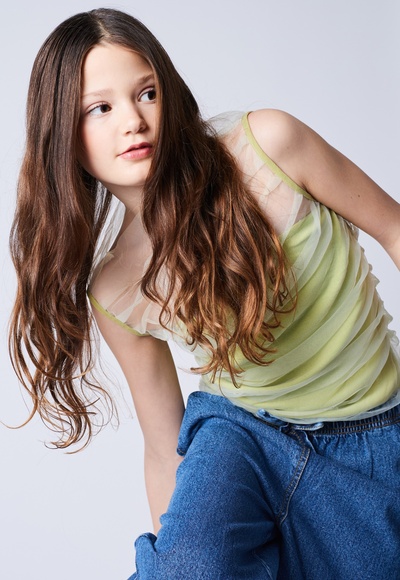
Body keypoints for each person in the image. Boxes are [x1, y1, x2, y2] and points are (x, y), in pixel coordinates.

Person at [9, 7, 400, 579]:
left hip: (374, 430)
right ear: (62, 136)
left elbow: (394, 229)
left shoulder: (269, 145)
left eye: (146, 93)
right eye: (100, 108)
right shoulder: (115, 288)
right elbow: (163, 443)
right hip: (240, 435)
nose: (133, 121)